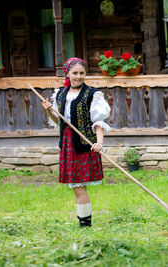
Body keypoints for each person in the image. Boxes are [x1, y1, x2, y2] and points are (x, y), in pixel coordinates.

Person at [42, 57, 110, 227]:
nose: (78, 76)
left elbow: (98, 122)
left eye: (82, 73)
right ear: (68, 74)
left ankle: (85, 226)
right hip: (67, 143)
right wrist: (49, 111)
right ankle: (83, 223)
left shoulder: (92, 95)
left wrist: (99, 143)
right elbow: (60, 122)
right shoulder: (60, 94)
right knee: (75, 186)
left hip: (83, 143)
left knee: (79, 187)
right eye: (75, 73)